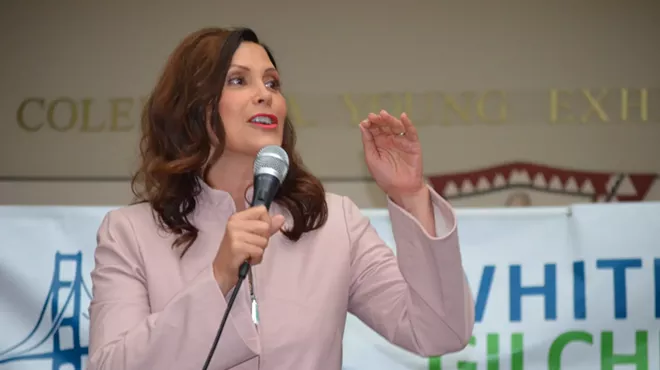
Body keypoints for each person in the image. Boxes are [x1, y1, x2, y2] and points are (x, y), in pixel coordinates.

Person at [87, 27, 474, 370]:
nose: (264, 96)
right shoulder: (131, 234)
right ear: (194, 108)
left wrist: (410, 195)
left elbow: (439, 332)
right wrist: (218, 277)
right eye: (238, 81)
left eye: (272, 83)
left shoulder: (333, 222)